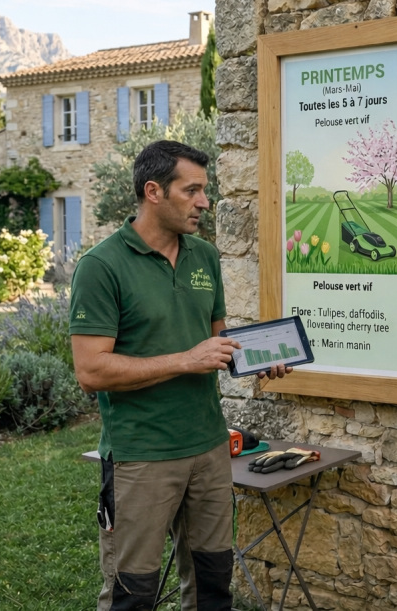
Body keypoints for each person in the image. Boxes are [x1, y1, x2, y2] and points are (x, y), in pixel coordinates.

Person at [69, 140, 289, 611]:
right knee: (134, 594)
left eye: (204, 191)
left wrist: (255, 357)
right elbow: (90, 370)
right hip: (141, 457)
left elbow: (215, 342)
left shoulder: (204, 257)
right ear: (153, 191)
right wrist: (186, 359)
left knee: (213, 586)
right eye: (192, 191)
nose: (204, 202)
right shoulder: (101, 267)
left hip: (209, 450)